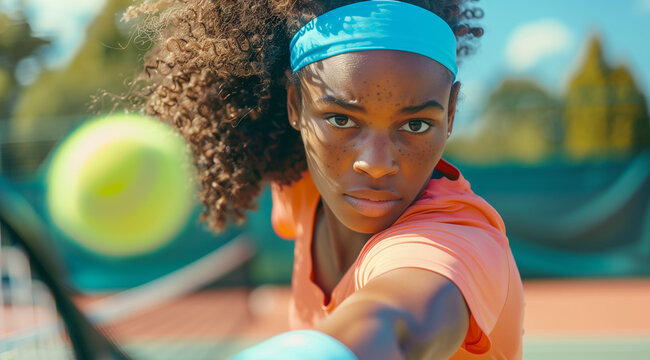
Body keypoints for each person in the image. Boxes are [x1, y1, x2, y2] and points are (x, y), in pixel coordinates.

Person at [129, 0, 524, 358]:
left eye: (416, 124)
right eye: (340, 120)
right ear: (294, 104)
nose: (376, 164)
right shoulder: (301, 187)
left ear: (451, 113)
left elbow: (394, 328)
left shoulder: (460, 240)